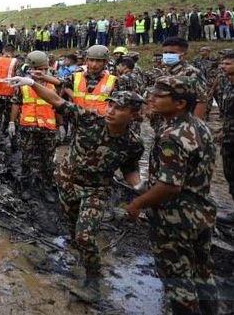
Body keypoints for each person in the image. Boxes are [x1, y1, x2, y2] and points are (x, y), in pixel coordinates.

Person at [10, 74, 145, 302]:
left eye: (119, 108)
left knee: (85, 236)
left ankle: (93, 281)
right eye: (110, 104)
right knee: (73, 229)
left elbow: (130, 169)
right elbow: (58, 102)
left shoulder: (133, 143)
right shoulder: (90, 119)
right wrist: (33, 84)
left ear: (133, 116)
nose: (111, 110)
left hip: (97, 190)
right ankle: (78, 255)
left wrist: (140, 187)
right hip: (68, 181)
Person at [125, 77, 218, 315]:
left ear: (179, 104)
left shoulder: (172, 136)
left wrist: (137, 204)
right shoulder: (199, 126)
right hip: (201, 212)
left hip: (175, 219)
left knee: (178, 281)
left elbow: (169, 186)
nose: (151, 99)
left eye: (159, 96)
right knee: (202, 273)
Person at [8, 51, 58, 203]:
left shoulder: (53, 84)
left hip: (48, 129)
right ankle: (26, 187)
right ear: (30, 69)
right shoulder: (23, 84)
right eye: (36, 69)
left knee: (47, 162)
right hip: (28, 127)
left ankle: (46, 188)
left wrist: (61, 125)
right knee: (27, 159)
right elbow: (16, 104)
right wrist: (11, 122)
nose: (39, 72)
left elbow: (58, 104)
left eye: (42, 69)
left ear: (47, 68)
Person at [216, 51, 234, 225]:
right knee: (231, 175)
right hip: (230, 138)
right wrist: (223, 131)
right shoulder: (228, 85)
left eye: (228, 63)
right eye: (223, 63)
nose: (223, 66)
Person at [0, 44, 18, 139]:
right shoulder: (15, 61)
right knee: (9, 117)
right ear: (13, 52)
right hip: (10, 94)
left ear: (3, 51)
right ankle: (7, 134)